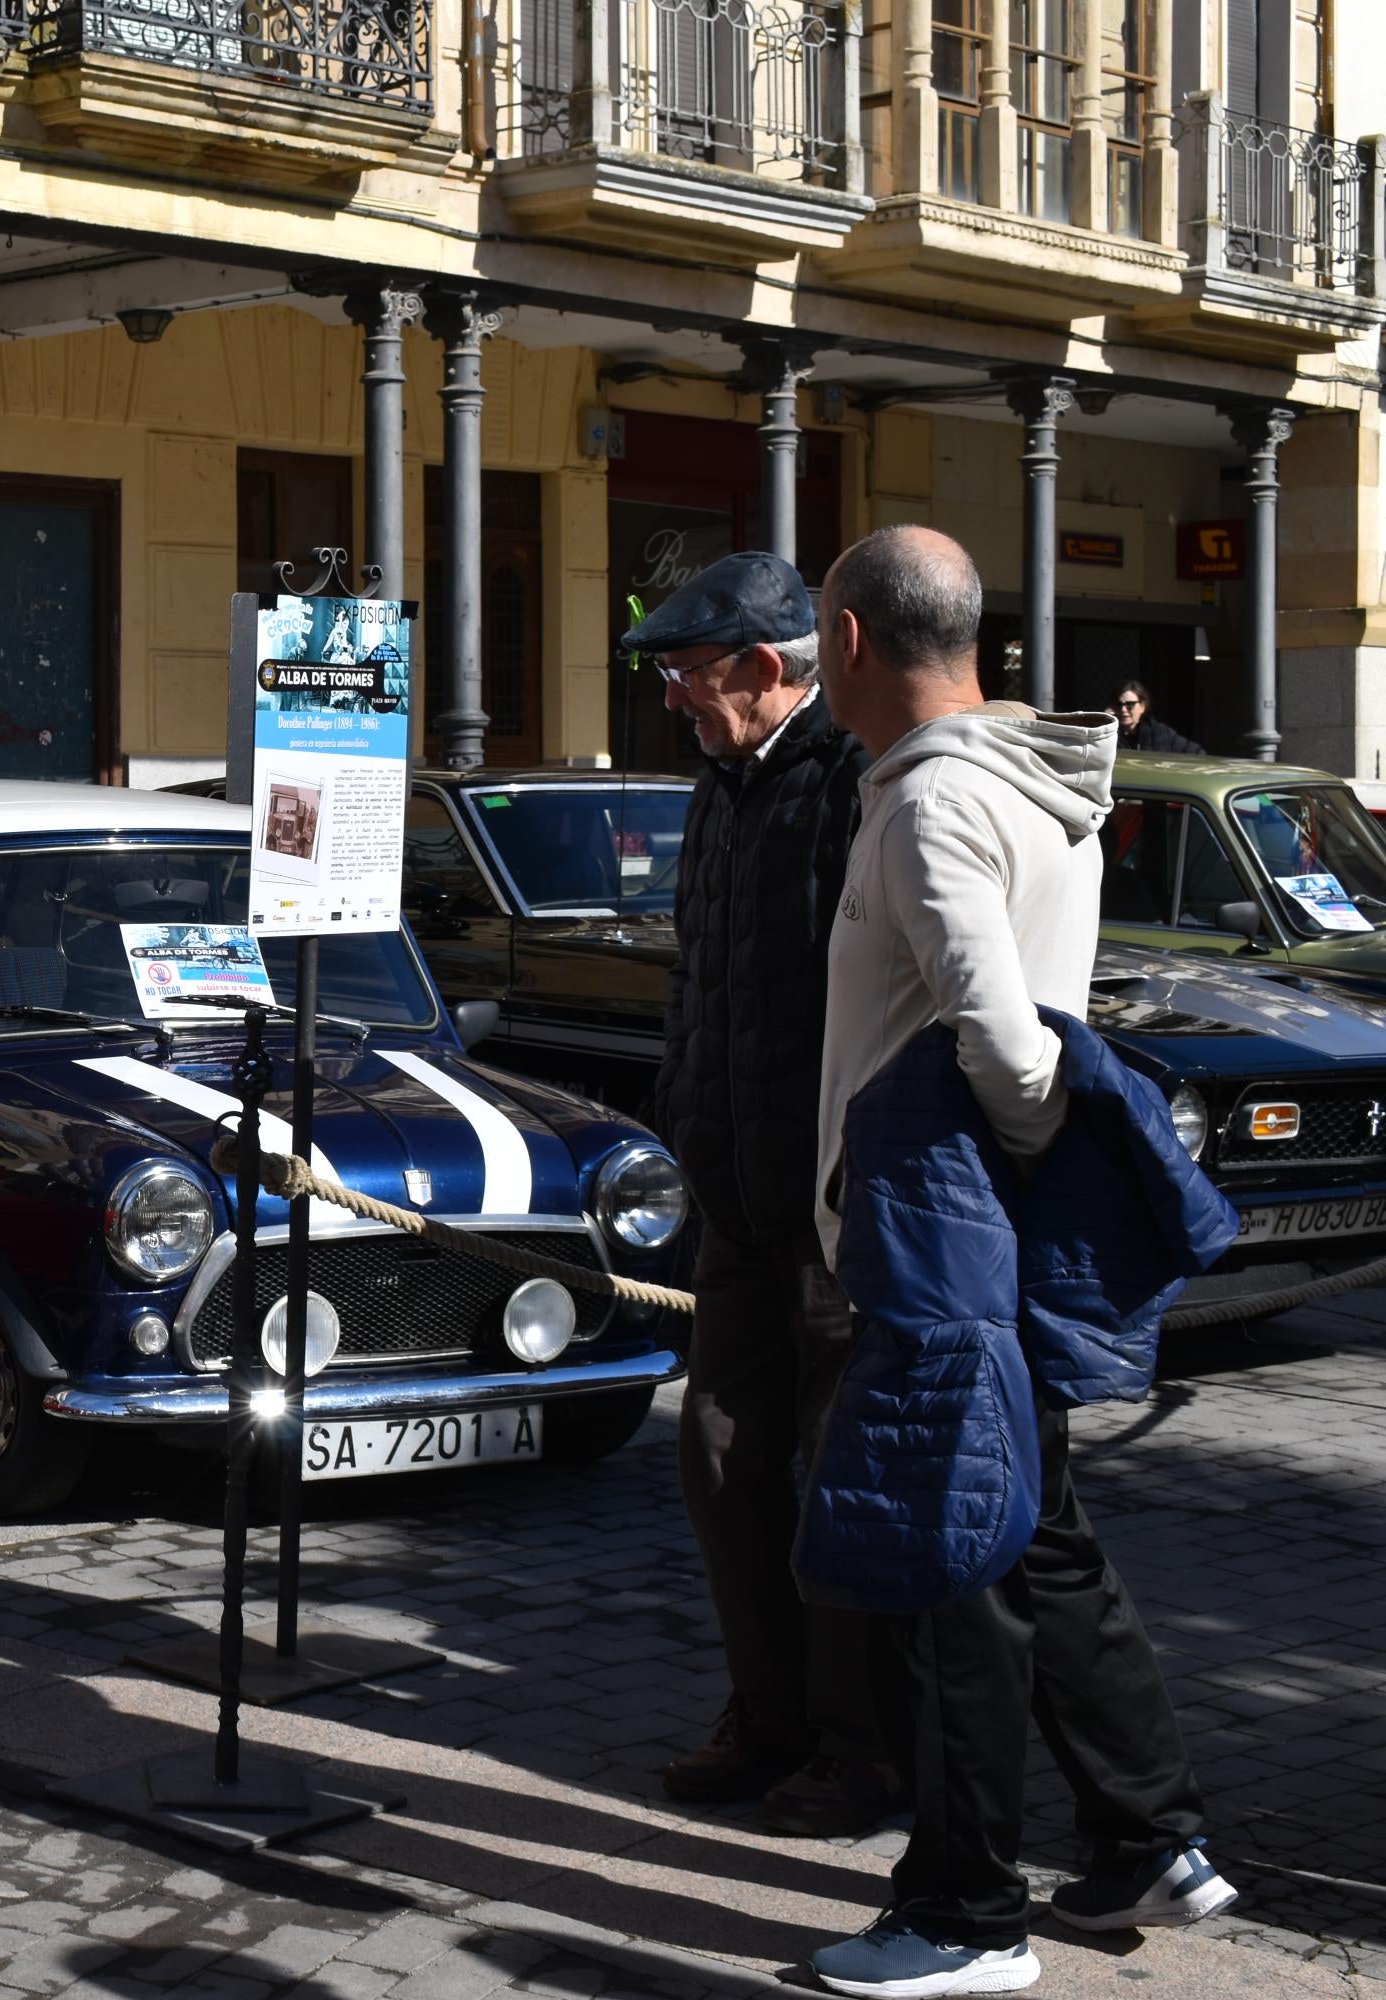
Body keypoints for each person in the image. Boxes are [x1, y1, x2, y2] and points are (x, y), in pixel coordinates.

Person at [805, 524, 1233, 2000]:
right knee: (1038, 1535)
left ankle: (963, 1919)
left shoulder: (930, 803)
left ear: (853, 640)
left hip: (945, 1228)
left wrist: (1015, 1160)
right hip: (983, 1216)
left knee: (949, 1565)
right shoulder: (1030, 780)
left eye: (818, 638)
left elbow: (997, 1032)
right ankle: (1152, 1838)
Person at [630, 551, 897, 1839]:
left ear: (772, 667)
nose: (676, 699)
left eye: (691, 675)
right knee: (723, 1456)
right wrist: (687, 1109)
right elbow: (700, 977)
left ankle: (861, 1747)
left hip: (836, 1210)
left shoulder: (853, 781)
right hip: (734, 1196)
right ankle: (769, 1709)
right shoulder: (719, 788)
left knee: (840, 1483)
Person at [1111, 679, 1204, 754]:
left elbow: (1198, 753)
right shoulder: (1110, 736)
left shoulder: (1160, 732)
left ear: (1142, 706)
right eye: (1119, 704)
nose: (1123, 709)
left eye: (1130, 704)